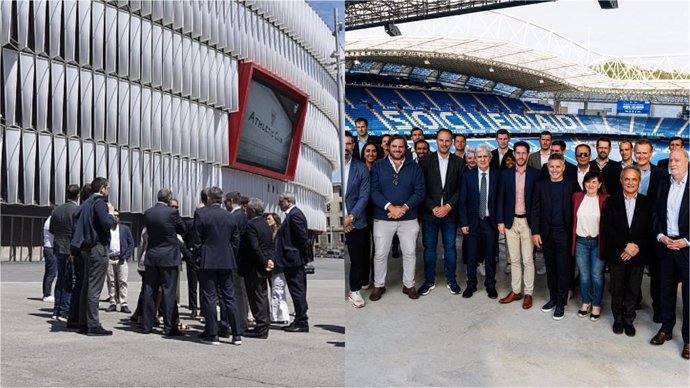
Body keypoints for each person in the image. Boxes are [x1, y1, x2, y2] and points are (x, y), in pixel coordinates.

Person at [369, 134, 425, 301]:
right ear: (388, 148)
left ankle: (409, 285)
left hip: (408, 218)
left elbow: (420, 192)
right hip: (383, 217)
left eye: (401, 146)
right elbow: (374, 191)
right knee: (380, 254)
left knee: (409, 253)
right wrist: (391, 207)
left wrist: (404, 208)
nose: (398, 149)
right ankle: (379, 285)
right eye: (394, 146)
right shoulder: (378, 166)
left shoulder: (414, 167)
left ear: (405, 148)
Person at [602, 166, 653, 337]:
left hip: (637, 254)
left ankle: (629, 318)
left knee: (633, 289)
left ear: (639, 181)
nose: (630, 182)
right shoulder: (611, 201)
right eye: (627, 179)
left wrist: (635, 246)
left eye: (634, 179)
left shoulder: (647, 202)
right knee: (617, 288)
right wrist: (625, 245)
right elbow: (608, 228)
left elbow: (649, 230)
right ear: (621, 181)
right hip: (618, 253)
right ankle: (618, 318)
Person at [531, 154, 580, 320]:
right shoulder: (540, 185)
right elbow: (535, 210)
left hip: (564, 235)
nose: (554, 170)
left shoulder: (572, 185)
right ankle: (552, 298)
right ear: (547, 167)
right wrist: (535, 232)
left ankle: (561, 303)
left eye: (558, 166)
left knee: (563, 270)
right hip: (546, 235)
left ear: (564, 167)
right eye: (551, 166)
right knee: (550, 268)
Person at [651, 149, 689, 359]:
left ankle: (689, 340)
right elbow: (655, 212)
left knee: (689, 297)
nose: (673, 163)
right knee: (665, 291)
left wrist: (686, 240)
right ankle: (666, 329)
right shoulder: (663, 182)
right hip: (666, 246)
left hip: (686, 249)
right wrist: (660, 236)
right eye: (671, 160)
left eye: (677, 160)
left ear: (686, 162)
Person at [418, 129, 465, 296]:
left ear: (451, 142)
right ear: (436, 141)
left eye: (447, 141)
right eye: (441, 140)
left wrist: (449, 206)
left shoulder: (459, 162)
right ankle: (429, 281)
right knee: (429, 248)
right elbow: (421, 188)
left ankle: (451, 280)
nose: (444, 144)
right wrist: (433, 207)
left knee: (450, 247)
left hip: (450, 214)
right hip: (430, 214)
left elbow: (461, 189)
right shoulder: (425, 162)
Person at [194, 187, 242, 345]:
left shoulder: (201, 214)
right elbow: (236, 240)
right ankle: (236, 334)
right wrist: (230, 254)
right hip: (226, 259)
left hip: (208, 259)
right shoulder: (229, 216)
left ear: (208, 198)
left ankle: (212, 334)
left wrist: (199, 255)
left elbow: (197, 239)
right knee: (229, 297)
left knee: (209, 296)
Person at [70, 177, 116, 335]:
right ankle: (93, 324)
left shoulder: (86, 203)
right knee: (94, 288)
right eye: (107, 188)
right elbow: (106, 224)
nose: (108, 191)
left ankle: (83, 322)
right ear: (102, 188)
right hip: (98, 247)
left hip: (86, 248)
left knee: (86, 286)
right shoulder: (99, 203)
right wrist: (110, 214)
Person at [497, 141, 540, 309]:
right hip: (510, 221)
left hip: (528, 222)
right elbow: (500, 198)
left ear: (527, 154)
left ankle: (528, 292)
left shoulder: (535, 174)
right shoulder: (505, 174)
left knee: (528, 259)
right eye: (518, 153)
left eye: (524, 153)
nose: (521, 156)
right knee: (514, 259)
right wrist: (500, 220)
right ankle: (516, 291)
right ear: (513, 154)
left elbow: (537, 202)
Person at [141, 188, 187, 336]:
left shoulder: (149, 212)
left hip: (152, 255)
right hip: (169, 256)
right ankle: (169, 326)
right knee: (169, 292)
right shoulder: (172, 213)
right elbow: (182, 228)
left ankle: (146, 325)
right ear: (169, 199)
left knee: (149, 291)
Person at [460, 144, 499, 299]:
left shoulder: (497, 175)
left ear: (490, 158)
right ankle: (471, 284)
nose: (482, 160)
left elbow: (500, 200)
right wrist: (464, 223)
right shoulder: (467, 176)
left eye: (485, 157)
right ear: (475, 159)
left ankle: (490, 285)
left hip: (490, 223)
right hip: (472, 223)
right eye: (479, 157)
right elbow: (463, 201)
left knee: (490, 256)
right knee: (471, 256)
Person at [634, 138, 667, 318]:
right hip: (634, 227)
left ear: (651, 154)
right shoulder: (627, 171)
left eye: (644, 152)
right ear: (634, 153)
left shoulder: (661, 174)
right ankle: (636, 299)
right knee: (633, 266)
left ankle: (658, 306)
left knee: (656, 270)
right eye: (638, 152)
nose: (641, 155)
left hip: (654, 228)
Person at [572, 172, 608, 321]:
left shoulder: (605, 199)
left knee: (597, 275)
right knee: (584, 275)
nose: (590, 185)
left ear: (599, 184)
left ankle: (597, 304)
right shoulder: (577, 197)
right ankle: (586, 302)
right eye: (588, 182)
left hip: (597, 242)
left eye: (594, 182)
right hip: (581, 242)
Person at [238, 198, 275, 339]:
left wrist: (265, 262)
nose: (245, 211)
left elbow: (254, 248)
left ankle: (261, 327)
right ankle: (263, 324)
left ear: (252, 210)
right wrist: (270, 260)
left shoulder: (251, 226)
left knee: (256, 297)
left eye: (247, 209)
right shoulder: (265, 225)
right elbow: (270, 246)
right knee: (262, 295)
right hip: (263, 266)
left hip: (254, 267)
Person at [276, 191, 311, 332]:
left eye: (280, 202)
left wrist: (304, 257)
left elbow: (303, 238)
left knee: (297, 291)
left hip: (294, 260)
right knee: (296, 290)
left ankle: (302, 321)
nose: (279, 204)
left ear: (288, 201)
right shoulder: (291, 215)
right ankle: (299, 319)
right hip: (292, 259)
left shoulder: (295, 215)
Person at [343, 132, 371, 308]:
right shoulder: (332, 168)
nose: (346, 147)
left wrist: (350, 218)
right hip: (342, 221)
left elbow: (364, 196)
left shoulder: (361, 168)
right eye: (343, 143)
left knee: (358, 259)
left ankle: (354, 291)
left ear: (353, 146)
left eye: (349, 144)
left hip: (356, 221)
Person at [50, 184, 80, 322]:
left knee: (60, 278)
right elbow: (77, 231)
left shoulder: (56, 210)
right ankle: (64, 311)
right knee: (70, 280)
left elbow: (51, 230)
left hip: (57, 246)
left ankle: (56, 310)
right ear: (77, 195)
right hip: (70, 249)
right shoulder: (76, 210)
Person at [66, 183, 92, 330]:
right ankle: (81, 319)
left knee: (78, 286)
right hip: (83, 251)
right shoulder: (84, 211)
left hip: (75, 250)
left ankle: (73, 318)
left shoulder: (77, 209)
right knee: (84, 286)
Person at [225, 191, 250, 333]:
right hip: (242, 259)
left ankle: (240, 320)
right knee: (242, 290)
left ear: (231, 200)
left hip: (235, 259)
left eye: (225, 202)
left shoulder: (235, 217)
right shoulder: (243, 215)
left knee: (237, 290)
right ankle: (243, 318)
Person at [105, 211, 134, 313]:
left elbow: (131, 243)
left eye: (117, 216)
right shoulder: (107, 229)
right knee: (111, 281)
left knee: (123, 281)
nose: (115, 218)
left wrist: (126, 255)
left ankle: (123, 303)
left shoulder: (125, 229)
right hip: (110, 259)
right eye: (113, 216)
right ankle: (112, 302)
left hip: (121, 259)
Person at [265, 212, 290, 324]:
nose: (267, 221)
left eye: (269, 219)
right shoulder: (269, 233)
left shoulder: (280, 232)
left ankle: (280, 316)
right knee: (275, 290)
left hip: (279, 265)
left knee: (278, 290)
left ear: (275, 220)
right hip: (271, 265)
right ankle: (275, 315)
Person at [42, 215, 56, 303]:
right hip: (50, 248)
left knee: (48, 272)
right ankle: (47, 294)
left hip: (48, 248)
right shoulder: (51, 221)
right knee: (52, 272)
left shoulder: (48, 220)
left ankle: (46, 293)